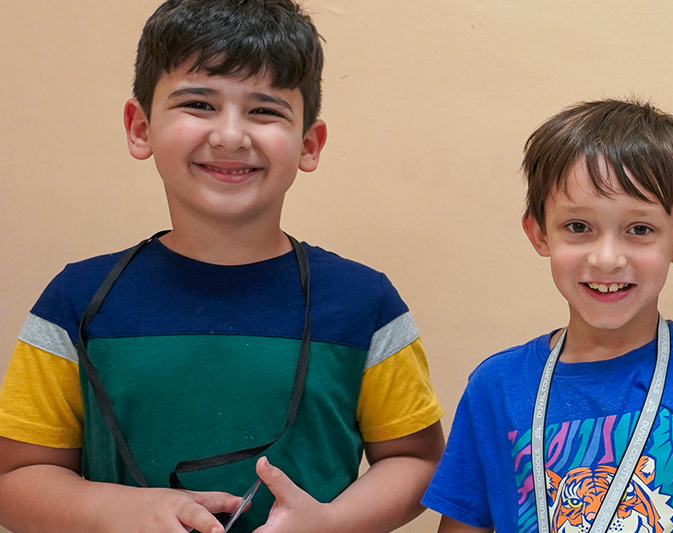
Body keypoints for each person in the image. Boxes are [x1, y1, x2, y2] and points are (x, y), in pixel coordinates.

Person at [0, 1, 446, 532]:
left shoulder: (365, 302)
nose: (231, 136)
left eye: (264, 111)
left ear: (309, 143)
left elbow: (417, 460)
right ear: (140, 127)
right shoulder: (75, 299)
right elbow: (16, 478)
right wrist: (113, 510)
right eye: (198, 104)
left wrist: (334, 522)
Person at [423, 99, 673, 533]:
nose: (607, 258)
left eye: (640, 229)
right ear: (539, 232)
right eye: (578, 227)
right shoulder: (495, 388)